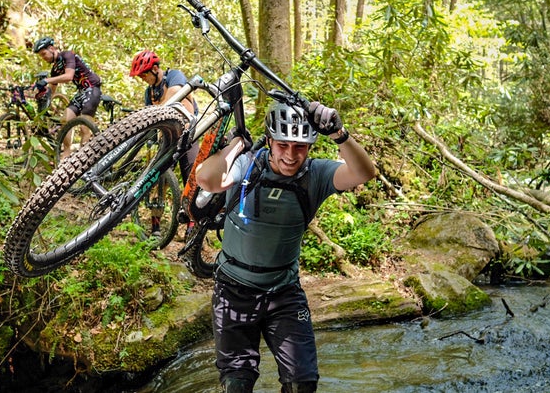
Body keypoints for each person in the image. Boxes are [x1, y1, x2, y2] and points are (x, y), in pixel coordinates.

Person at [195, 101, 376, 392]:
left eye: (300, 147)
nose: (291, 155)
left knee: (302, 384)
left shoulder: (315, 175)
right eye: (282, 145)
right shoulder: (249, 162)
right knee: (237, 384)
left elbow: (363, 173)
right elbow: (206, 178)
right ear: (269, 141)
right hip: (233, 290)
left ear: (310, 148)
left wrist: (339, 134)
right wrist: (237, 146)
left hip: (284, 293)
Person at [129, 50, 199, 182]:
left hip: (189, 131)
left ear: (155, 68)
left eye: (144, 75)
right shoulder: (149, 92)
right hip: (168, 136)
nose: (143, 79)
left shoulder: (174, 75)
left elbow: (175, 92)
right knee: (160, 174)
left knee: (191, 176)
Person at [32, 36, 102, 159]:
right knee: (65, 120)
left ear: (52, 48)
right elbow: (52, 91)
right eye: (41, 56)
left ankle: (84, 158)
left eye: (44, 54)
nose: (43, 58)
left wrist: (46, 80)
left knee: (84, 127)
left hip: (92, 88)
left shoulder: (67, 55)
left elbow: (69, 76)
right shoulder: (55, 68)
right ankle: (67, 153)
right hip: (81, 92)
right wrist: (42, 97)